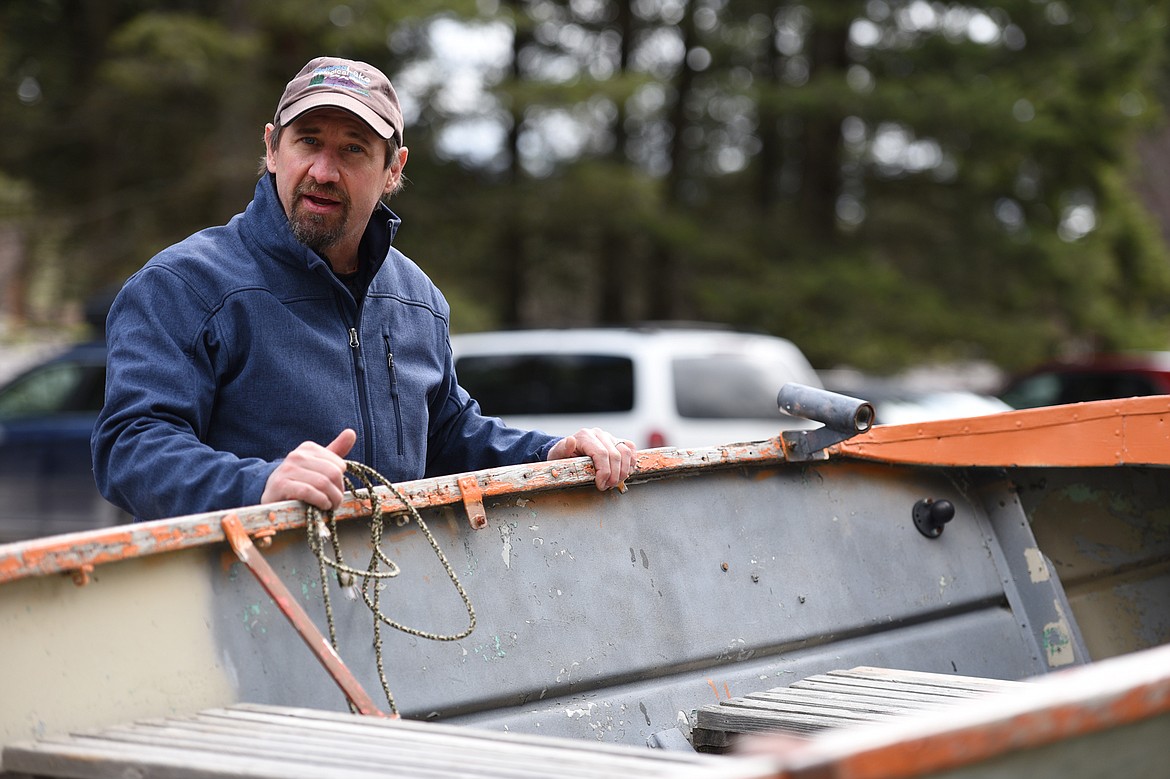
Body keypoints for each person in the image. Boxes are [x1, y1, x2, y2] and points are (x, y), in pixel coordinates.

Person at [91, 56, 636, 521]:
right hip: (237, 617)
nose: (323, 170)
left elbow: (449, 434)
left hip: (394, 612)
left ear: (392, 168)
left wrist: (551, 455)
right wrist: (261, 486)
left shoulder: (416, 298)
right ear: (273, 148)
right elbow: (131, 447)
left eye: (353, 149)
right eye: (308, 141)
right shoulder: (183, 285)